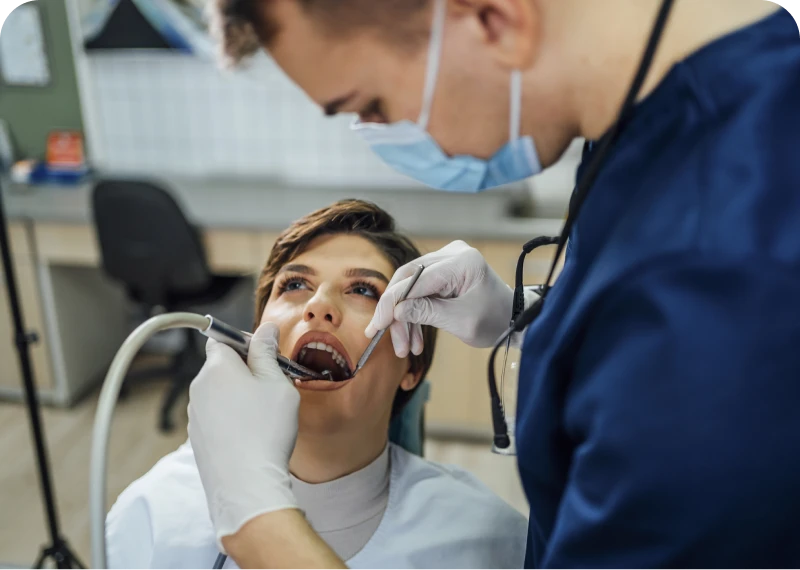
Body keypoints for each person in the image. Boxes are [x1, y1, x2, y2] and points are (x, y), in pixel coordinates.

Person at [188, 0, 800, 568]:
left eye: (372, 106)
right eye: (295, 285)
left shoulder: (727, 268)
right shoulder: (642, 130)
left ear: (494, 19)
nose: (386, 140)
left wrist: (257, 522)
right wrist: (534, 315)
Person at [105, 200, 527, 569]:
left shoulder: (489, 542)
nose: (319, 305)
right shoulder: (149, 513)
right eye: (294, 285)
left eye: (362, 289)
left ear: (411, 367)